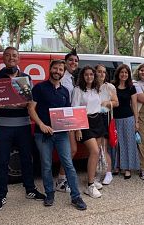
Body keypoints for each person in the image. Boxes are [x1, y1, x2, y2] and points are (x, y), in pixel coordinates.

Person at [0, 47, 45, 211]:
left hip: (23, 125)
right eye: (7, 55)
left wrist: (21, 103)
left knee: (27, 159)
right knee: (2, 161)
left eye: (14, 55)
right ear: (3, 58)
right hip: (3, 126)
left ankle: (30, 190)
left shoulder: (26, 78)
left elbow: (30, 102)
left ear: (19, 58)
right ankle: (1, 195)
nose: (11, 58)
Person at [28, 60, 87, 210]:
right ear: (50, 69)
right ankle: (49, 194)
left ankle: (76, 196)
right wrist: (41, 125)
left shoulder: (65, 91)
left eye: (61, 69)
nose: (58, 71)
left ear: (63, 72)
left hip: (61, 134)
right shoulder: (39, 88)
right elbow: (31, 109)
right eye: (55, 68)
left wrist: (76, 127)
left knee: (68, 164)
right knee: (46, 165)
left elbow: (68, 114)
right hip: (43, 134)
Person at [71, 65, 106, 198]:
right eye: (86, 74)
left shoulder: (97, 89)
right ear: (82, 76)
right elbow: (75, 109)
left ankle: (92, 178)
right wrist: (78, 128)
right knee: (94, 151)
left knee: (95, 154)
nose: (89, 77)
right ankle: (90, 186)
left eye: (91, 74)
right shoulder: (78, 90)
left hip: (98, 121)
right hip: (84, 122)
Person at [56, 48, 80, 193]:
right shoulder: (63, 78)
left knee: (70, 150)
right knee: (71, 150)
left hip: (71, 117)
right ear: (65, 62)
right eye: (70, 60)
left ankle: (62, 179)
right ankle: (61, 180)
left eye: (76, 61)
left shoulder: (71, 78)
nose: (73, 62)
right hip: (64, 118)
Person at [113, 64, 140, 179]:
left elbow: (134, 105)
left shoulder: (131, 87)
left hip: (128, 118)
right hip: (115, 119)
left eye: (126, 72)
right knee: (116, 143)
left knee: (128, 143)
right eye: (121, 72)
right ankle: (117, 166)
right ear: (118, 74)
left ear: (128, 75)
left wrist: (136, 121)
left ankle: (128, 168)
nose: (124, 74)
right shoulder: (112, 86)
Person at [95, 64, 119, 185]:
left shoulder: (109, 87)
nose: (102, 74)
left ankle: (108, 173)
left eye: (104, 72)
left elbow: (116, 103)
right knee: (95, 148)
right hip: (92, 118)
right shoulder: (90, 87)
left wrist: (107, 102)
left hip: (104, 117)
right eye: (99, 71)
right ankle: (98, 172)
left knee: (103, 147)